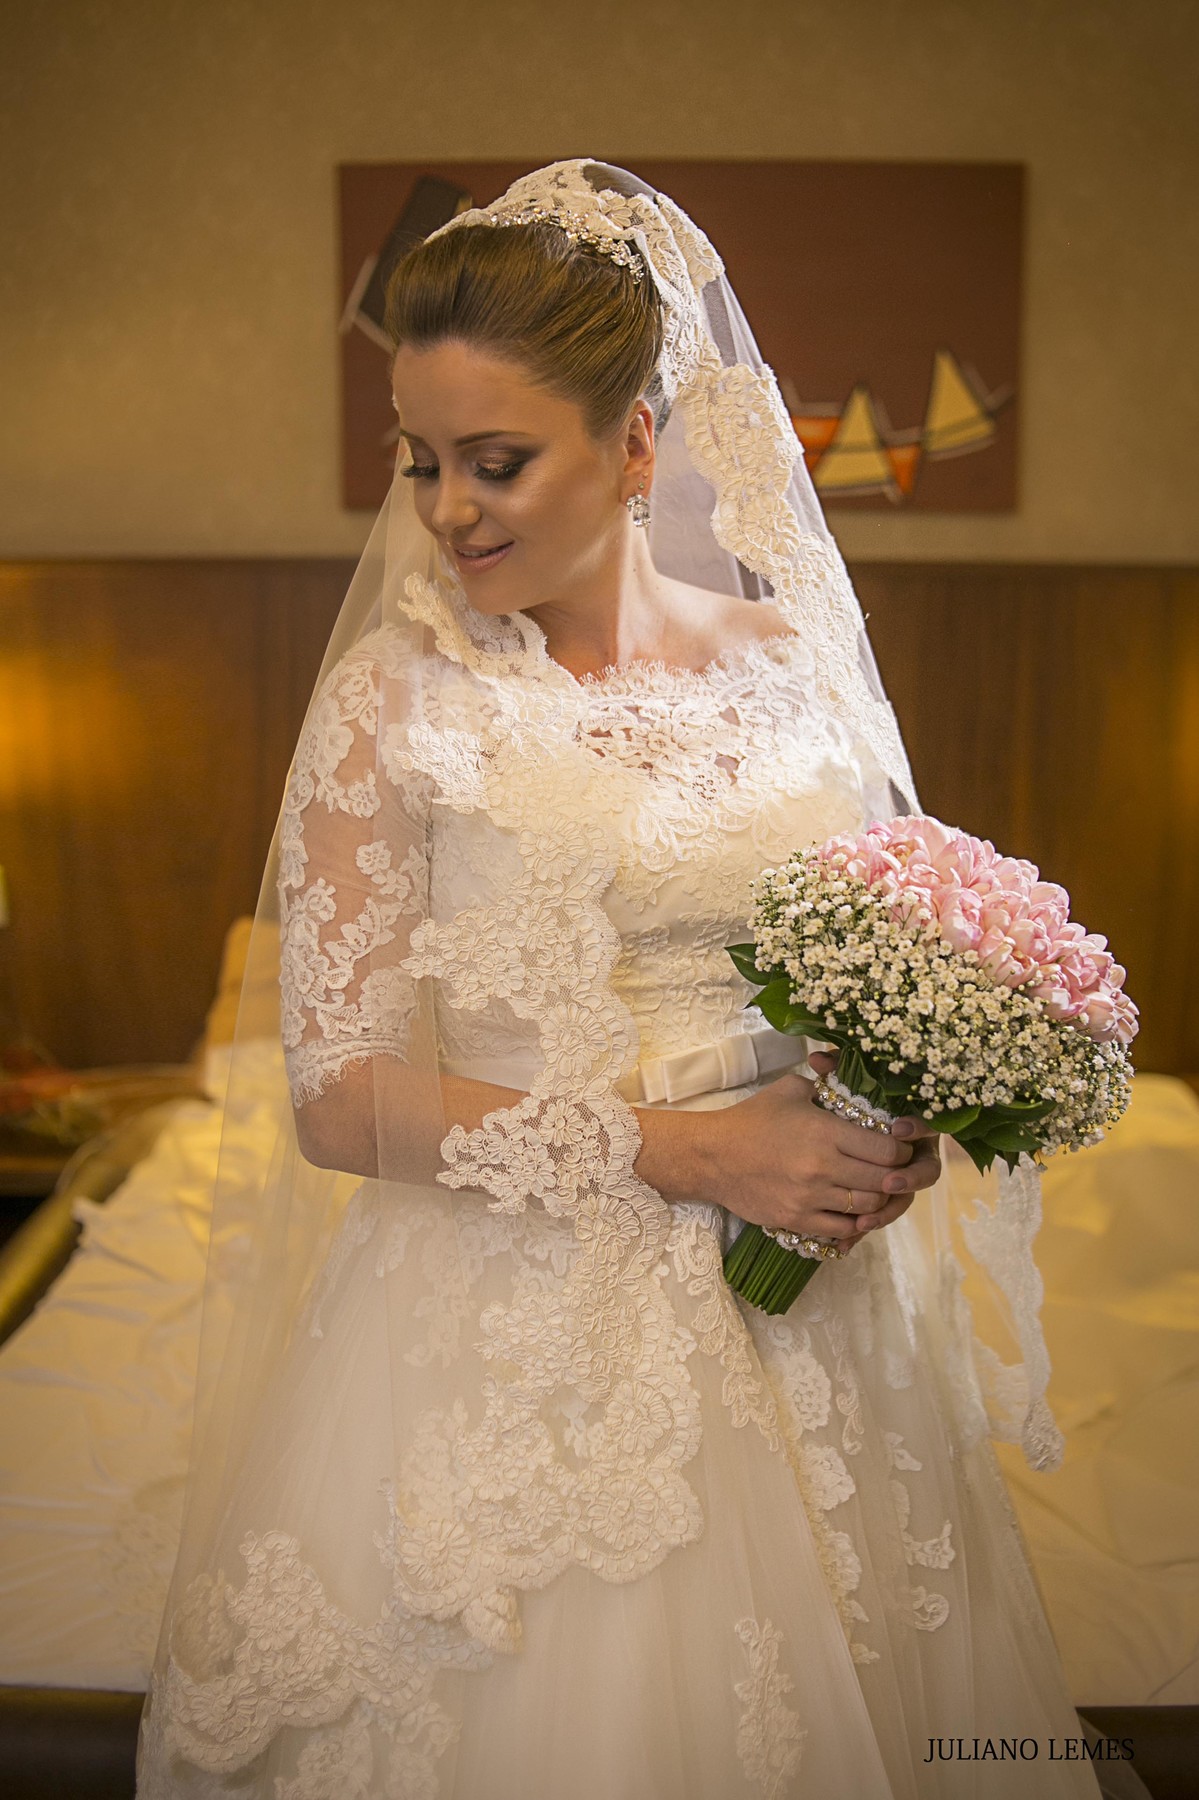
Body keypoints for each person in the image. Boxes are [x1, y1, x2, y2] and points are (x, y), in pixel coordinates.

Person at [136, 161, 1115, 1798]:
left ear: (638, 444)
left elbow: (884, 940)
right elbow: (337, 1097)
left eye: (498, 461)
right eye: (422, 460)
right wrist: (700, 1152)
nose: (448, 510)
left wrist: (892, 1109)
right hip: (513, 1323)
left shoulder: (788, 669)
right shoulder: (397, 701)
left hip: (820, 1311)